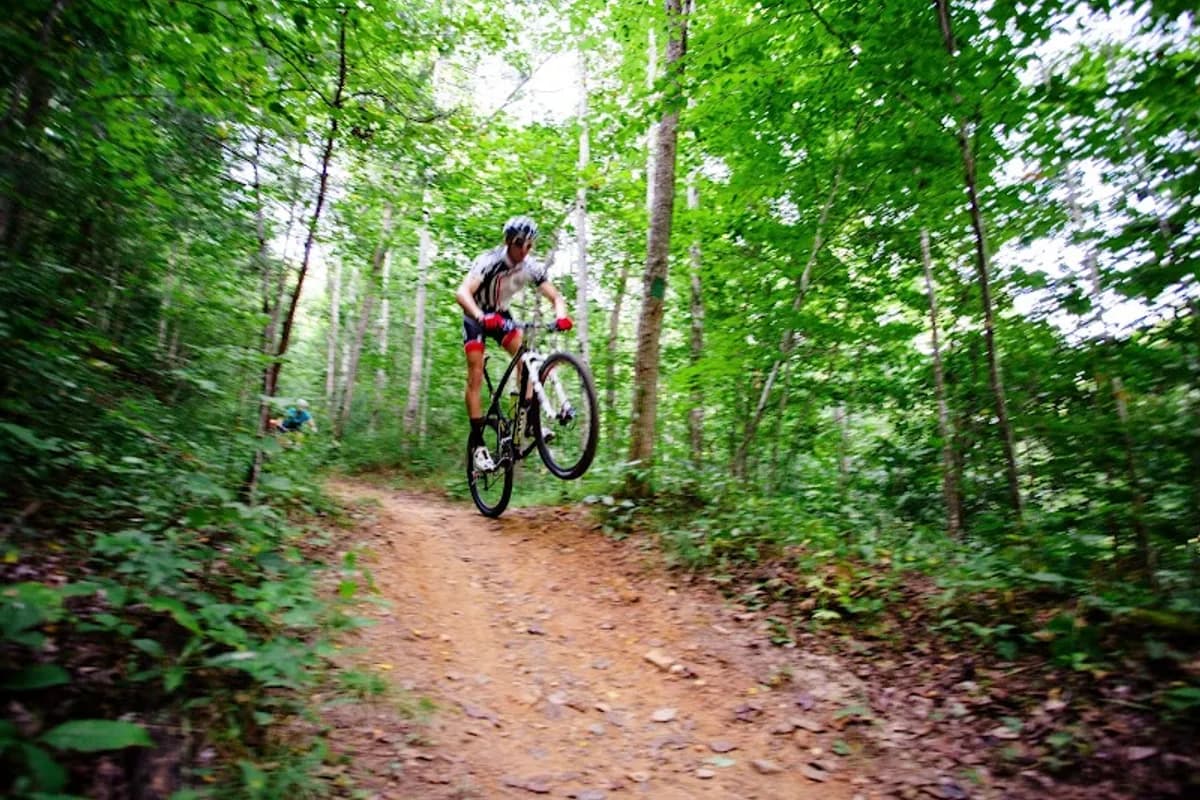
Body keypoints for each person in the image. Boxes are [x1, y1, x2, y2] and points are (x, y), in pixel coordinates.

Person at [455, 215, 572, 472]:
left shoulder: (530, 266)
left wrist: (561, 316)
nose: (525, 250)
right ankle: (478, 445)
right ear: (509, 241)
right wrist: (480, 316)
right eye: (520, 243)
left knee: (526, 361)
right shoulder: (490, 261)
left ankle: (526, 423)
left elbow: (555, 296)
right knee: (475, 373)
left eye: (530, 245)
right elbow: (462, 293)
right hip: (476, 315)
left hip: (501, 315)